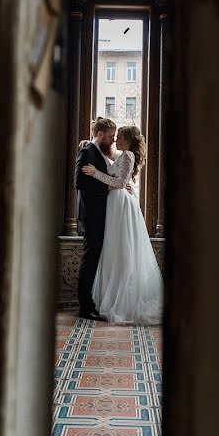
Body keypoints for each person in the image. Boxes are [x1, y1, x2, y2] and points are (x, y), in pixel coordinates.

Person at [81, 125, 163, 325]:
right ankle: (108, 297)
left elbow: (119, 183)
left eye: (120, 137)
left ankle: (124, 302)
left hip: (121, 205)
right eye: (115, 136)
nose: (116, 140)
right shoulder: (122, 154)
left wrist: (94, 174)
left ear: (127, 140)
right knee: (112, 250)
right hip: (114, 205)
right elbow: (110, 162)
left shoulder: (128, 156)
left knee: (122, 251)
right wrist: (88, 142)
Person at [74, 118, 117, 321]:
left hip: (100, 215)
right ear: (100, 134)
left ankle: (90, 304)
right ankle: (85, 307)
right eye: (111, 136)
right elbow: (80, 182)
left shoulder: (97, 151)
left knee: (93, 259)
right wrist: (107, 187)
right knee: (89, 259)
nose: (113, 139)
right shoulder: (87, 151)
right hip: (91, 215)